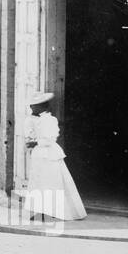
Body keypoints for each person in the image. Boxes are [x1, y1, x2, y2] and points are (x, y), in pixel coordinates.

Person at [23, 93, 87, 221]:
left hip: (49, 155)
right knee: (38, 182)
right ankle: (39, 210)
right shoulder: (33, 119)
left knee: (51, 183)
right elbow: (29, 134)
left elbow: (50, 139)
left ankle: (54, 211)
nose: (31, 108)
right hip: (39, 155)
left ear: (42, 107)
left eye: (34, 106)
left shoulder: (50, 120)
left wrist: (36, 142)